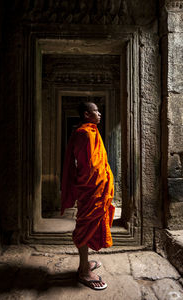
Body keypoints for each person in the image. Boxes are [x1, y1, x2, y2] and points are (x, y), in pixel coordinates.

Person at [61, 102, 115, 290]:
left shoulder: (91, 131)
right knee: (84, 225)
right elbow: (90, 165)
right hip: (90, 188)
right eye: (96, 111)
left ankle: (84, 263)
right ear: (86, 114)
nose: (100, 113)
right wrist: (100, 182)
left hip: (95, 187)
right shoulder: (84, 133)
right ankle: (84, 271)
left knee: (90, 224)